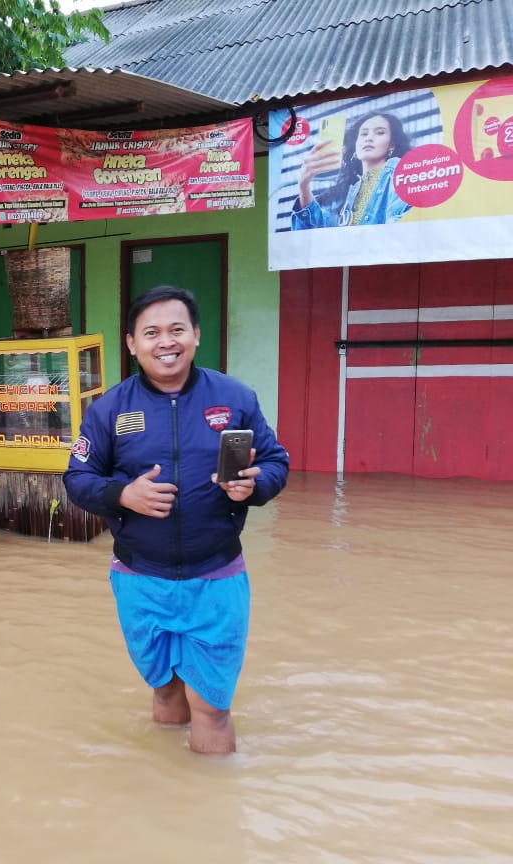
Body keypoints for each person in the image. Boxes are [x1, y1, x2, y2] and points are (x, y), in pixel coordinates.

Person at [63, 286, 289, 754]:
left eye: (176, 330)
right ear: (131, 343)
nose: (165, 342)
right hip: (140, 577)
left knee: (212, 708)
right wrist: (122, 494)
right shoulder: (109, 409)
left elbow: (276, 462)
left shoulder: (235, 397)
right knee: (165, 689)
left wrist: (255, 484)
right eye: (151, 333)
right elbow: (77, 479)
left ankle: (212, 813)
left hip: (217, 576)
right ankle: (165, 794)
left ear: (196, 335)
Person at [291, 112, 412, 229]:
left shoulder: (399, 172)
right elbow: (312, 237)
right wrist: (304, 185)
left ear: (392, 145)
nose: (369, 138)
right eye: (363, 134)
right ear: (356, 145)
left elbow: (399, 227)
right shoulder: (346, 193)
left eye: (379, 132)